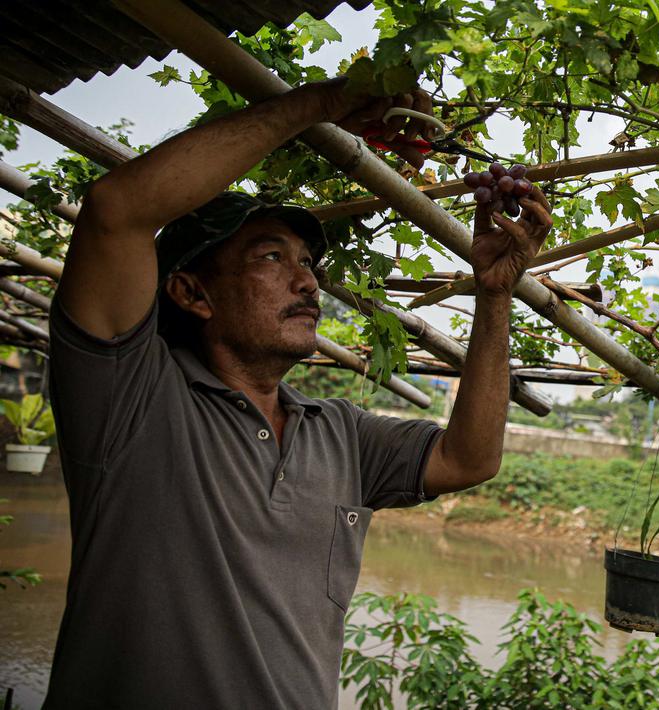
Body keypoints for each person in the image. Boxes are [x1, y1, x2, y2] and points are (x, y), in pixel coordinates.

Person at [41, 77, 552, 708]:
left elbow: (470, 458)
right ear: (192, 293)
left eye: (307, 262)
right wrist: (323, 104)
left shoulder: (341, 433)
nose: (307, 282)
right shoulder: (132, 397)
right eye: (270, 258)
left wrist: (495, 294)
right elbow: (117, 209)